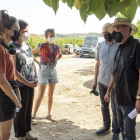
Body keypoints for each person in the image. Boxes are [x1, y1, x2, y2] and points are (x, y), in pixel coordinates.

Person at [0, 10, 36, 140]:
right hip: (4, 96)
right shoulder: (1, 49)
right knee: (5, 135)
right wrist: (15, 99)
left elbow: (10, 75)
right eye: (16, 29)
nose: (18, 32)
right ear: (6, 30)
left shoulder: (6, 47)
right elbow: (2, 81)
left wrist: (17, 93)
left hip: (9, 91)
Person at [104, 18, 140, 140]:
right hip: (117, 98)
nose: (114, 31)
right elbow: (115, 72)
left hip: (130, 100)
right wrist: (109, 90)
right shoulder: (119, 48)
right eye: (113, 29)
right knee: (122, 128)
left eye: (117, 28)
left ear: (127, 28)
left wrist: (139, 98)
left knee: (129, 133)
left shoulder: (137, 45)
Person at [92, 23, 120, 139]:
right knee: (104, 105)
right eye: (103, 33)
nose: (104, 35)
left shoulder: (119, 45)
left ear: (112, 31)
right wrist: (95, 80)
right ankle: (106, 126)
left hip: (115, 83)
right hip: (102, 80)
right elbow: (97, 63)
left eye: (106, 32)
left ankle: (115, 131)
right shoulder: (100, 45)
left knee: (115, 107)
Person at [11, 20, 38, 140]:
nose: (27, 33)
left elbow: (32, 61)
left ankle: (27, 133)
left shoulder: (27, 45)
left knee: (28, 110)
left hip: (31, 83)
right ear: (18, 31)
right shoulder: (12, 47)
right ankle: (20, 136)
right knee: (20, 112)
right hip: (19, 85)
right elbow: (13, 71)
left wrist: (36, 76)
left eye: (28, 30)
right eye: (24, 31)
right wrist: (27, 82)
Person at [31, 28, 62, 123]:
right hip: (43, 71)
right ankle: (33, 116)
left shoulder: (57, 47)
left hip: (53, 71)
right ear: (46, 37)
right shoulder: (41, 46)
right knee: (40, 95)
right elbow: (30, 53)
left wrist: (57, 59)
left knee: (51, 94)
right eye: (50, 36)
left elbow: (60, 55)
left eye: (53, 36)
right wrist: (37, 63)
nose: (52, 37)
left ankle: (49, 114)